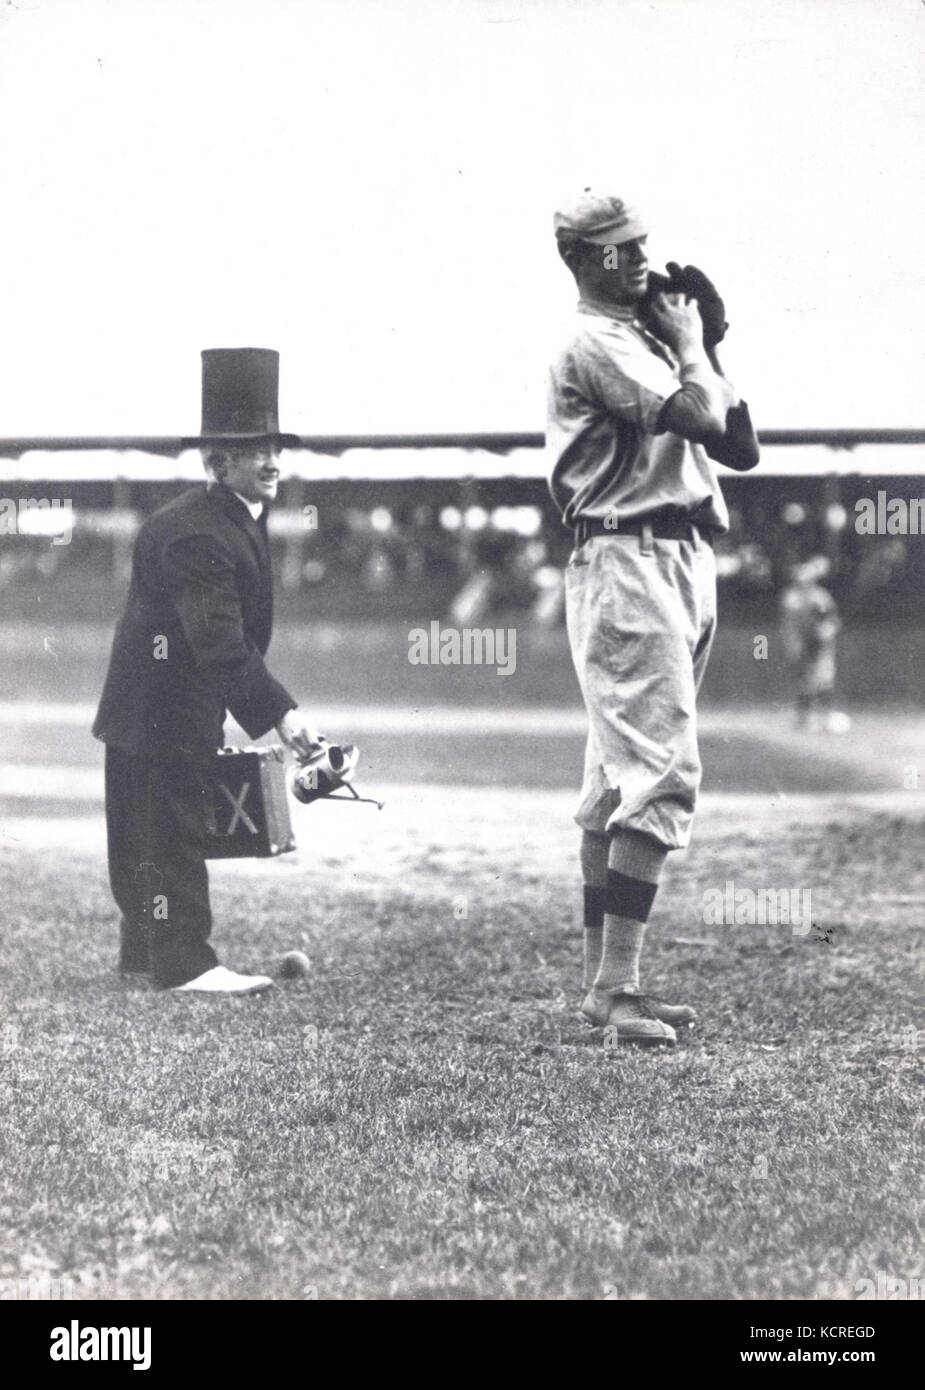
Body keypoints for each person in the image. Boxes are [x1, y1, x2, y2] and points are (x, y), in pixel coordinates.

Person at [547, 188, 760, 1045]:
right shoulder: (595, 340)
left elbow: (738, 448)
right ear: (583, 260)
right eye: (620, 251)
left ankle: (606, 989)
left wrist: (707, 347)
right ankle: (619, 987)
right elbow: (699, 418)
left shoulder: (642, 337)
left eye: (640, 246)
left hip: (675, 556)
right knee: (662, 776)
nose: (639, 262)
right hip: (625, 557)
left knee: (614, 784)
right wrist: (692, 347)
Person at [93, 348, 325, 993]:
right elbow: (218, 641)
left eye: (275, 446)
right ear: (218, 463)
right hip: (161, 704)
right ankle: (185, 964)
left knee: (151, 829)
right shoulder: (198, 532)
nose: (272, 460)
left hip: (157, 703)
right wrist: (280, 713)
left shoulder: (229, 517)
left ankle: (145, 955)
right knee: (170, 831)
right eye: (256, 451)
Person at [779, 555, 846, 731]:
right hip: (802, 643)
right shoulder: (791, 597)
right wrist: (792, 643)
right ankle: (803, 719)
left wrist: (827, 630)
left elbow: (832, 619)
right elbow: (789, 623)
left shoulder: (821, 596)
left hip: (820, 645)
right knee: (804, 681)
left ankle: (825, 718)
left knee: (825, 680)